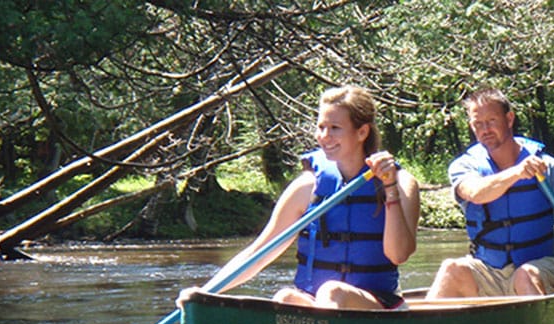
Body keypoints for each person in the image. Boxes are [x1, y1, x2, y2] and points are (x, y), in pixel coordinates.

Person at [177, 85, 420, 310]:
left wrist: (389, 188)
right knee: (285, 298)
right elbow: (260, 253)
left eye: (334, 128)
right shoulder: (307, 187)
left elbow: (398, 254)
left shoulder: (401, 183)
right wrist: (205, 294)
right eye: (321, 127)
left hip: (380, 306)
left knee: (332, 291)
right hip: (322, 308)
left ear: (362, 132)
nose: (324, 136)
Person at [426, 87, 554, 301]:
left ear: (509, 119)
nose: (485, 130)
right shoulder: (464, 166)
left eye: (491, 121)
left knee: (525, 276)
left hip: (542, 267)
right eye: (478, 124)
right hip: (488, 269)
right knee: (451, 269)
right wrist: (517, 173)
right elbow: (475, 192)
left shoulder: (548, 168)